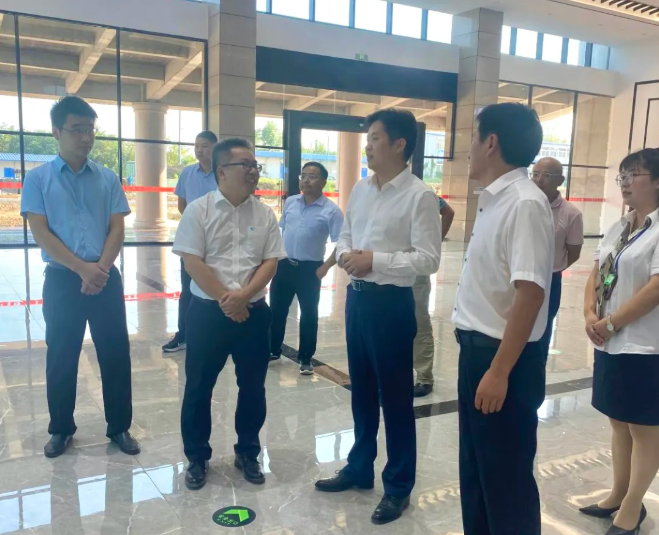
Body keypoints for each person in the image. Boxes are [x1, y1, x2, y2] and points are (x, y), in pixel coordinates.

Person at [315, 109, 442, 525]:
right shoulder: (361, 189)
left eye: (374, 138)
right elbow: (346, 235)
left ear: (399, 144)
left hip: (391, 305)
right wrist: (348, 256)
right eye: (367, 138)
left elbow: (428, 259)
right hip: (358, 302)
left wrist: (376, 261)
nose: (367, 146)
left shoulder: (420, 196)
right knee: (362, 391)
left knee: (396, 400)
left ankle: (399, 486)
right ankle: (359, 467)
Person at [452, 103, 553, 535]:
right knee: (477, 474)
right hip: (478, 354)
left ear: (490, 142)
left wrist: (498, 371)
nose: (469, 149)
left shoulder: (524, 203)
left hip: (502, 360)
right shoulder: (496, 200)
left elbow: (530, 293)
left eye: (473, 137)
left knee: (506, 482)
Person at [20, 96, 139, 458]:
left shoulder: (107, 178)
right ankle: (60, 429)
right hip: (62, 280)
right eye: (77, 130)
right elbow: (41, 233)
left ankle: (119, 427)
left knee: (115, 353)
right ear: (57, 132)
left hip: (105, 278)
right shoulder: (38, 179)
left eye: (90, 130)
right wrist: (81, 268)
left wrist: (99, 269)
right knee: (61, 354)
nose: (86, 138)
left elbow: (117, 228)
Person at [173, 138, 286, 490]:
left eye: (255, 165)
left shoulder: (264, 213)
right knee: (198, 387)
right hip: (207, 314)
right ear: (222, 171)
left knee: (252, 387)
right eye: (246, 165)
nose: (254, 171)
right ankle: (197, 457)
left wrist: (244, 297)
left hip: (253, 314)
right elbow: (192, 261)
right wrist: (227, 299)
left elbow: (270, 261)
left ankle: (248, 452)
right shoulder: (199, 210)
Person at [580, 148, 659, 535]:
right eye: (622, 176)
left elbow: (656, 288)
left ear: (657, 181)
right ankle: (618, 493)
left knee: (645, 429)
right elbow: (596, 273)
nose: (625, 183)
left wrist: (611, 323)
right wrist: (589, 315)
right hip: (611, 342)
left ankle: (632, 508)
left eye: (634, 175)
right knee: (618, 422)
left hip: (646, 346)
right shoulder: (620, 226)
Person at [269, 161, 344, 374]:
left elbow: (343, 243)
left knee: (309, 314)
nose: (306, 180)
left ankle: (305, 357)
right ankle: (273, 350)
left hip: (310, 270)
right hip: (284, 265)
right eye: (303, 176)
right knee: (276, 310)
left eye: (312, 176)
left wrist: (326, 267)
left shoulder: (331, 211)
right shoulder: (291, 202)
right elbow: (282, 232)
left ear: (323, 182)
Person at [163, 130, 219, 353]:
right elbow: (182, 205)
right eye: (196, 146)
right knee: (188, 289)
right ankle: (184, 334)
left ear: (215, 147)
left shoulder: (223, 173)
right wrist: (196, 225)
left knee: (217, 286)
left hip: (218, 240)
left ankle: (218, 334)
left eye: (204, 146)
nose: (199, 150)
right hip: (193, 241)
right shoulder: (187, 173)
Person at [532, 157, 583, 361]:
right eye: (535, 174)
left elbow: (574, 252)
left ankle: (535, 371)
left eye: (546, 175)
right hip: (515, 277)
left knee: (542, 332)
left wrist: (552, 267)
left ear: (560, 180)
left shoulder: (571, 214)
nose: (539, 180)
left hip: (549, 281)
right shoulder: (524, 205)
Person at [413, 196, 454, 397]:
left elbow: (448, 212)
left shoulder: (423, 194)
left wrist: (435, 242)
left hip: (416, 268)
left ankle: (424, 377)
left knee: (419, 322)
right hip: (389, 267)